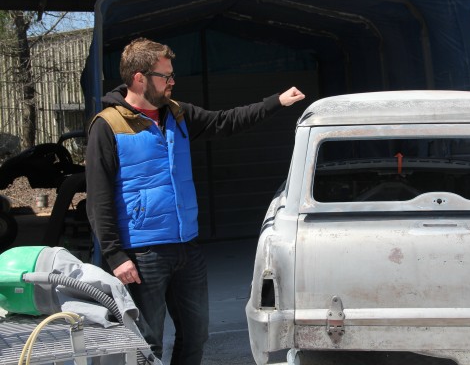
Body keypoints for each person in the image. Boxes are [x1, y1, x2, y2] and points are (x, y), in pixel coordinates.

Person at [85, 37, 305, 364]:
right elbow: (98, 198)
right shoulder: (108, 126)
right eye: (165, 76)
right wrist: (115, 255)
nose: (172, 81)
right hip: (142, 254)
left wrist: (277, 102)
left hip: (186, 248)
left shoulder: (178, 114)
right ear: (139, 78)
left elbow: (227, 121)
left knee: (195, 335)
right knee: (147, 342)